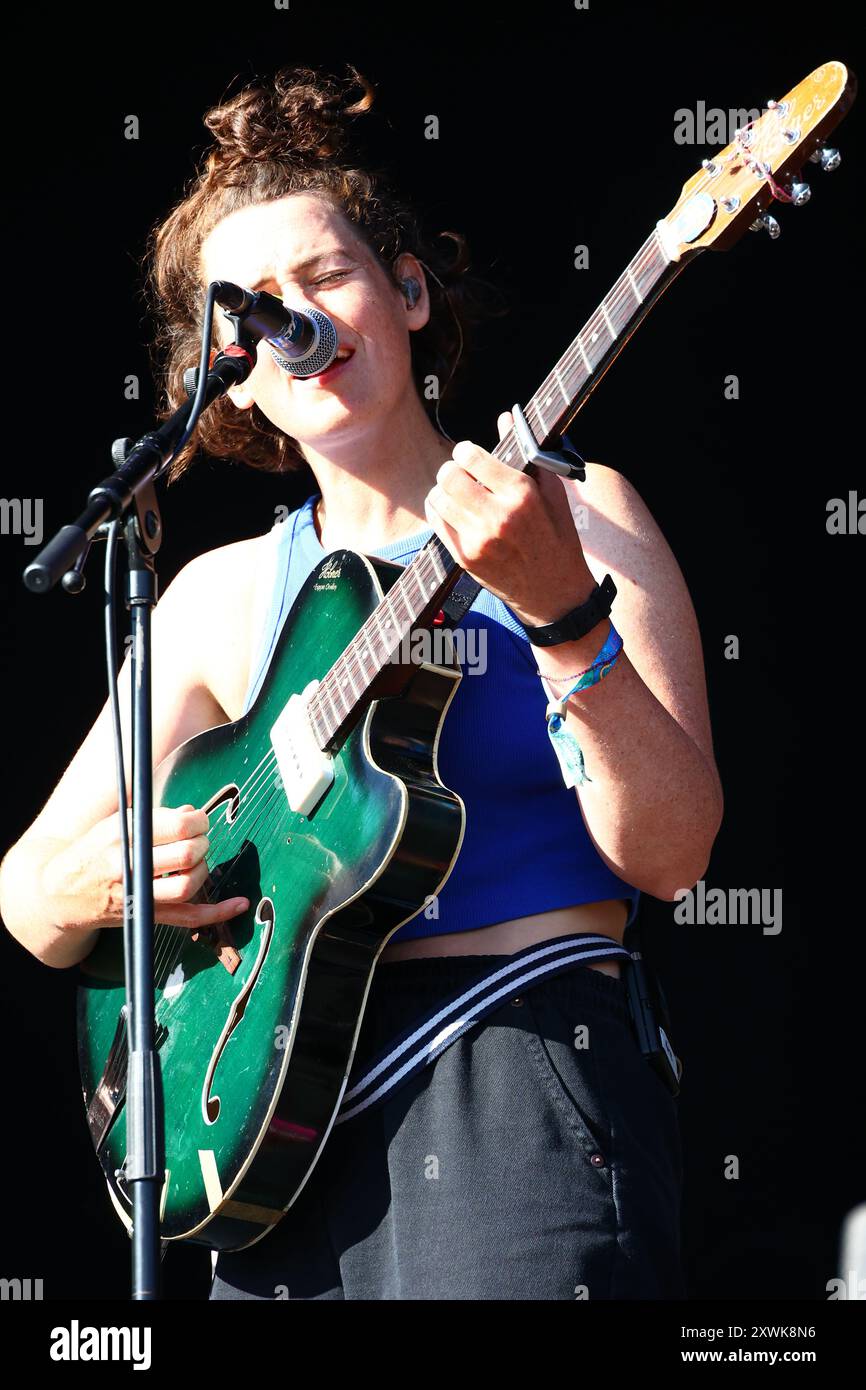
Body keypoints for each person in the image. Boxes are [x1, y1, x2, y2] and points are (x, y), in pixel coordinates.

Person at [0, 65, 723, 1299]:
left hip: (514, 1071)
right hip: (261, 1125)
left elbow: (672, 854)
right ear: (224, 367)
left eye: (326, 277)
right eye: (252, 307)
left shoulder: (577, 513)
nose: (295, 318)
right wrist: (99, 884)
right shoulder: (219, 593)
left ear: (408, 292)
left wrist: (557, 612)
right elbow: (26, 893)